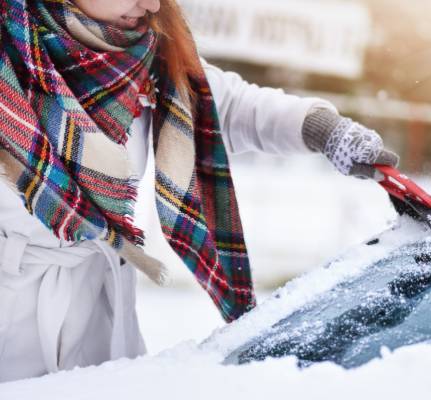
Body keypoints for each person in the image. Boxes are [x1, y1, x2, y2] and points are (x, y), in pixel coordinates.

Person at [0, 0, 399, 382]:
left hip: (97, 327)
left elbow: (236, 105)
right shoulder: (9, 62)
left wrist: (324, 130)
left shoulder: (146, 59)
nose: (153, 6)